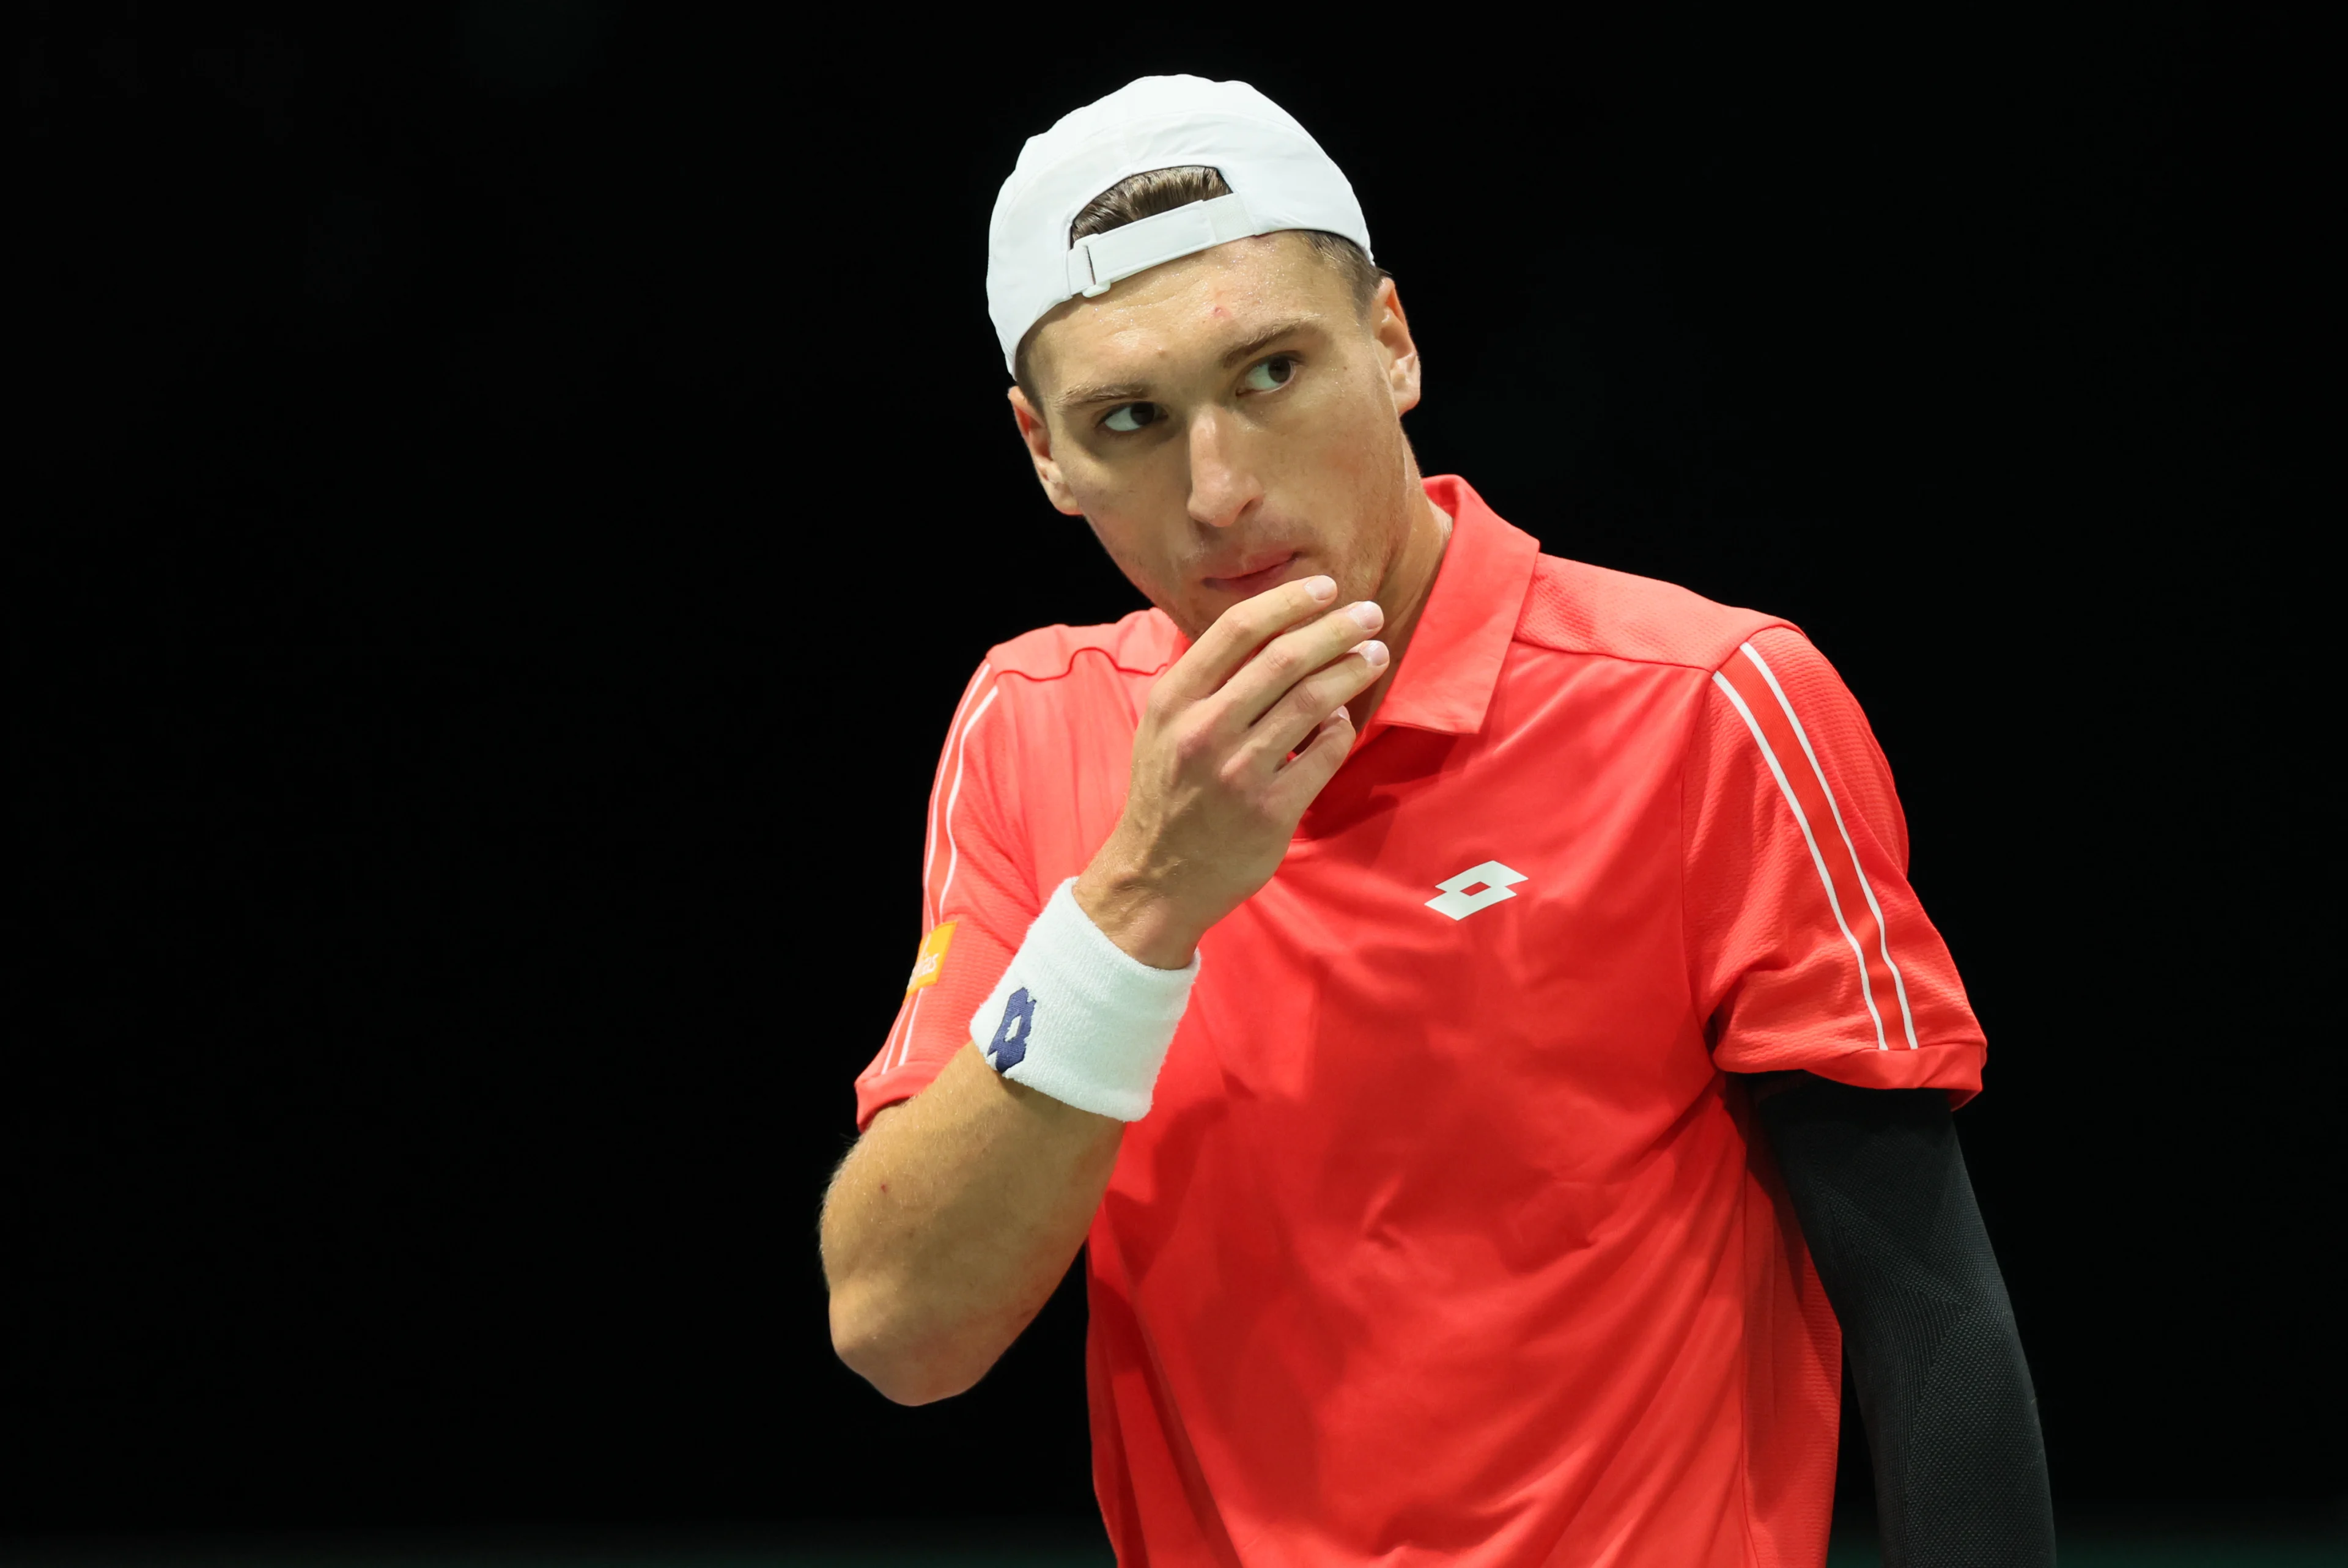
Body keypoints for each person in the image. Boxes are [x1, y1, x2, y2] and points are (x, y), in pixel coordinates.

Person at [819, 75, 2054, 1566]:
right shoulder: (1032, 726)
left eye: (1272, 371)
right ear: (1045, 454)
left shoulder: (1710, 704)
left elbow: (1931, 1323)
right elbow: (902, 1329)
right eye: (1133, 420)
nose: (1219, 491)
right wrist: (1143, 899)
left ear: (1391, 342)